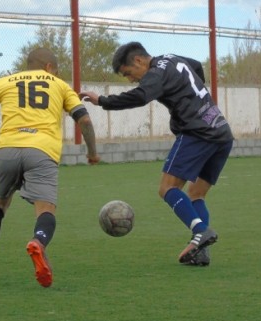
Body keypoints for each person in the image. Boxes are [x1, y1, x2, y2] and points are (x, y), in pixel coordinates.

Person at [0, 47, 100, 287]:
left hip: (7, 149)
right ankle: (38, 242)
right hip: (41, 151)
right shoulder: (59, 85)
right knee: (46, 209)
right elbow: (84, 120)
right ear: (50, 68)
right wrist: (92, 153)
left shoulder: (5, 82)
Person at [80, 41, 233, 267]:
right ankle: (201, 251)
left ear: (139, 61)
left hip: (197, 133)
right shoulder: (173, 59)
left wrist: (101, 100)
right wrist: (192, 98)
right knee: (196, 194)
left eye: (128, 73)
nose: (131, 79)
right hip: (221, 132)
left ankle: (201, 231)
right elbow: (197, 66)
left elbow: (140, 97)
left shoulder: (156, 72)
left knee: (167, 189)